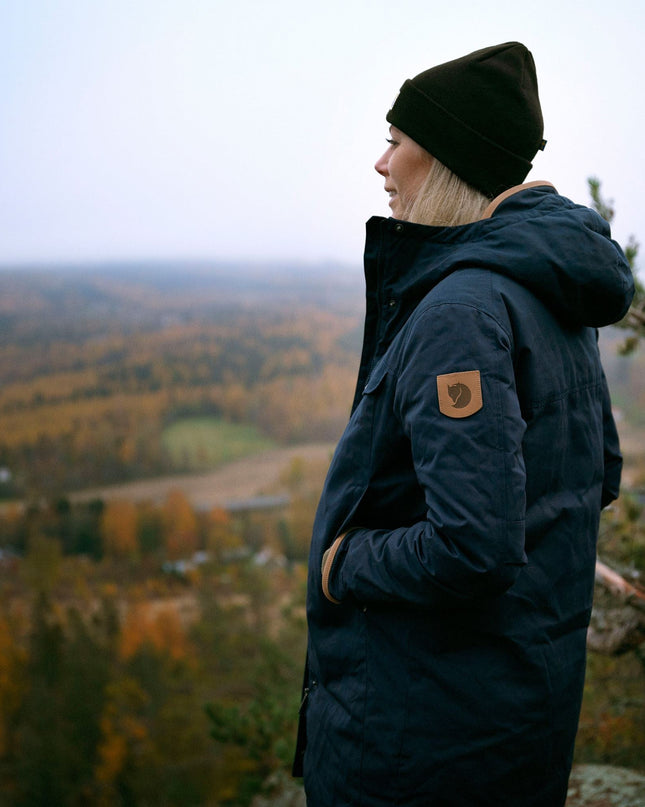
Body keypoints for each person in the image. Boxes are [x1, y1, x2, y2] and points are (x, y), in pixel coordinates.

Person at [293, 42, 634, 806]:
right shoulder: (543, 290)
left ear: (444, 158)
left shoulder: (463, 308)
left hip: (423, 744)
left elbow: (472, 545)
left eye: (395, 141)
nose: (380, 163)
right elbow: (595, 472)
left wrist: (342, 562)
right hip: (513, 715)